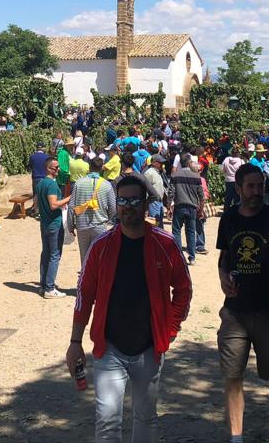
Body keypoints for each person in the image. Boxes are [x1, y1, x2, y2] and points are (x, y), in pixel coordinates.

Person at [66, 173, 193, 443]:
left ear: (145, 203)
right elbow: (84, 295)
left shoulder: (165, 243)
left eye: (134, 199)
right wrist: (75, 341)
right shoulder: (101, 247)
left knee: (146, 417)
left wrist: (169, 330)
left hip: (149, 346)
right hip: (109, 346)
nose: (128, 206)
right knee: (107, 421)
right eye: (122, 200)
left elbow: (183, 289)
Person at [217, 163, 269, 443]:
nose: (256, 192)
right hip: (235, 313)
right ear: (238, 188)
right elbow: (224, 257)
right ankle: (236, 437)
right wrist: (222, 277)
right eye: (250, 186)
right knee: (233, 376)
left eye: (260, 186)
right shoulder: (228, 219)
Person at [35, 159, 71, 298]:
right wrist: (69, 198)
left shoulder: (41, 183)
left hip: (44, 224)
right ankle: (49, 288)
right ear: (48, 168)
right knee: (54, 255)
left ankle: (43, 285)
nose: (58, 169)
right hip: (54, 224)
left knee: (46, 254)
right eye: (55, 167)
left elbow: (37, 203)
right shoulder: (50, 184)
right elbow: (54, 204)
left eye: (58, 167)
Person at [71, 157, 116, 265]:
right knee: (99, 257)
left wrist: (71, 225)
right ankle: (98, 281)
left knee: (85, 257)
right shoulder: (106, 184)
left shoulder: (78, 183)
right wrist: (107, 218)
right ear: (101, 168)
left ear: (89, 167)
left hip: (82, 225)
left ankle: (85, 280)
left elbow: (72, 206)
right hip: (100, 224)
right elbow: (113, 207)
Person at [168, 153, 203, 266]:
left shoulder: (175, 175)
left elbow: (171, 193)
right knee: (191, 232)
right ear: (189, 163)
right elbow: (201, 195)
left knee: (176, 231)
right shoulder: (196, 176)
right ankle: (192, 257)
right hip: (192, 207)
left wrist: (169, 206)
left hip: (179, 206)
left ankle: (179, 256)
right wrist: (201, 210)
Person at [143, 154, 167, 229]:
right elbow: (145, 190)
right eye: (160, 163)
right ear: (154, 163)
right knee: (155, 226)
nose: (162, 165)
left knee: (159, 225)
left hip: (159, 202)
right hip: (152, 202)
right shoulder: (149, 173)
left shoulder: (158, 172)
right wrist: (146, 208)